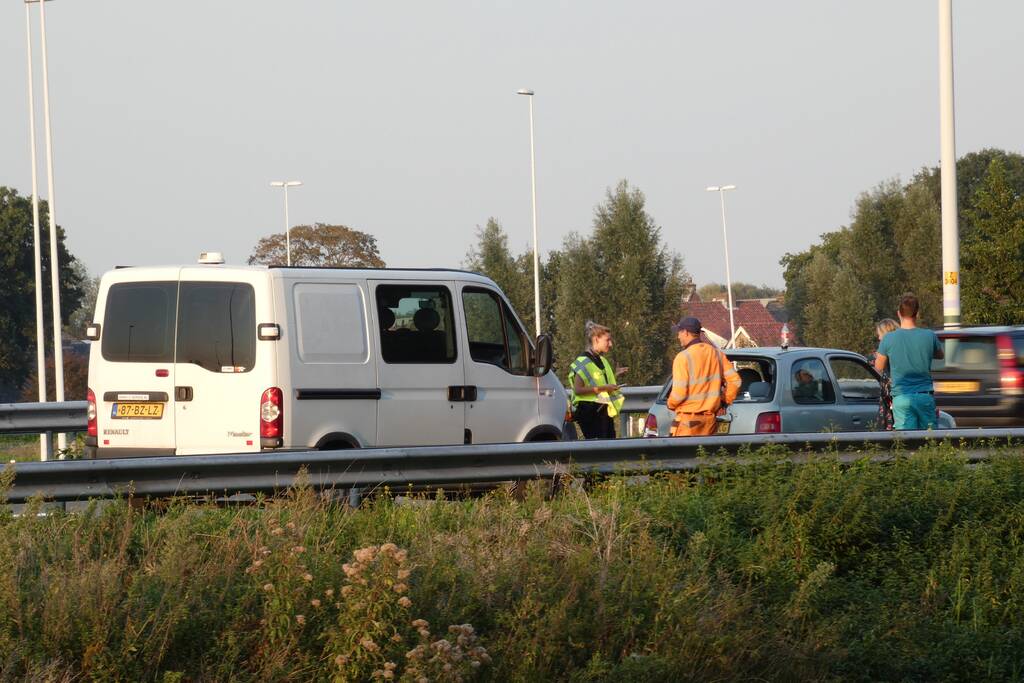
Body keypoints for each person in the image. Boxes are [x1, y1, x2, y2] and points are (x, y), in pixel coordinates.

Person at [873, 294, 944, 430]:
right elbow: (940, 355)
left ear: (898, 313)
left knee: (906, 442)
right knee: (930, 440)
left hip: (901, 397)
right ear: (917, 313)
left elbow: (879, 366)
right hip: (925, 396)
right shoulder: (929, 335)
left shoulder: (888, 339)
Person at [666, 317, 741, 437]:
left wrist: (670, 404)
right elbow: (735, 381)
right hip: (709, 421)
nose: (678, 337)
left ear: (685, 332)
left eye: (679, 333)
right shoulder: (717, 354)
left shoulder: (682, 357)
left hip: (688, 420)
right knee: (705, 455)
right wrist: (723, 401)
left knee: (682, 455)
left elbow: (679, 394)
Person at [567, 321, 628, 439]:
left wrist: (615, 376)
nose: (610, 344)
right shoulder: (583, 361)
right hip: (589, 412)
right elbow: (578, 390)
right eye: (607, 340)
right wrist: (605, 388)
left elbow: (597, 380)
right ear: (596, 339)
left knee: (609, 447)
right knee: (599, 450)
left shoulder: (602, 360)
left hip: (602, 411)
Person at [874, 318, 899, 431]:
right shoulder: (900, 348)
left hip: (891, 398)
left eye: (880, 335)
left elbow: (878, 366)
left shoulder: (887, 349)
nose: (879, 338)